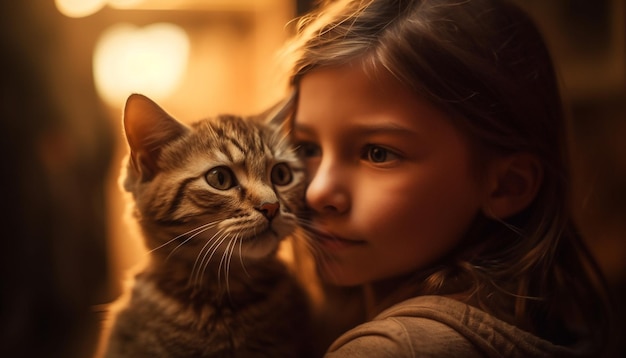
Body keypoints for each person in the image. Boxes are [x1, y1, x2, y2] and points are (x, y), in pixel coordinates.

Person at [282, 0, 613, 356]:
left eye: (378, 153)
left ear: (507, 185)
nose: (317, 192)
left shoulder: (394, 349)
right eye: (306, 148)